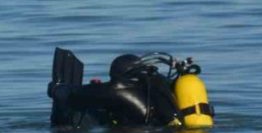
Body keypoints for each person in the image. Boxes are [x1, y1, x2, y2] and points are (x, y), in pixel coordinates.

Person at [48, 52, 181, 128]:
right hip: (160, 132)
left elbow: (72, 94)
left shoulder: (117, 90)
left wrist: (55, 88)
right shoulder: (152, 84)